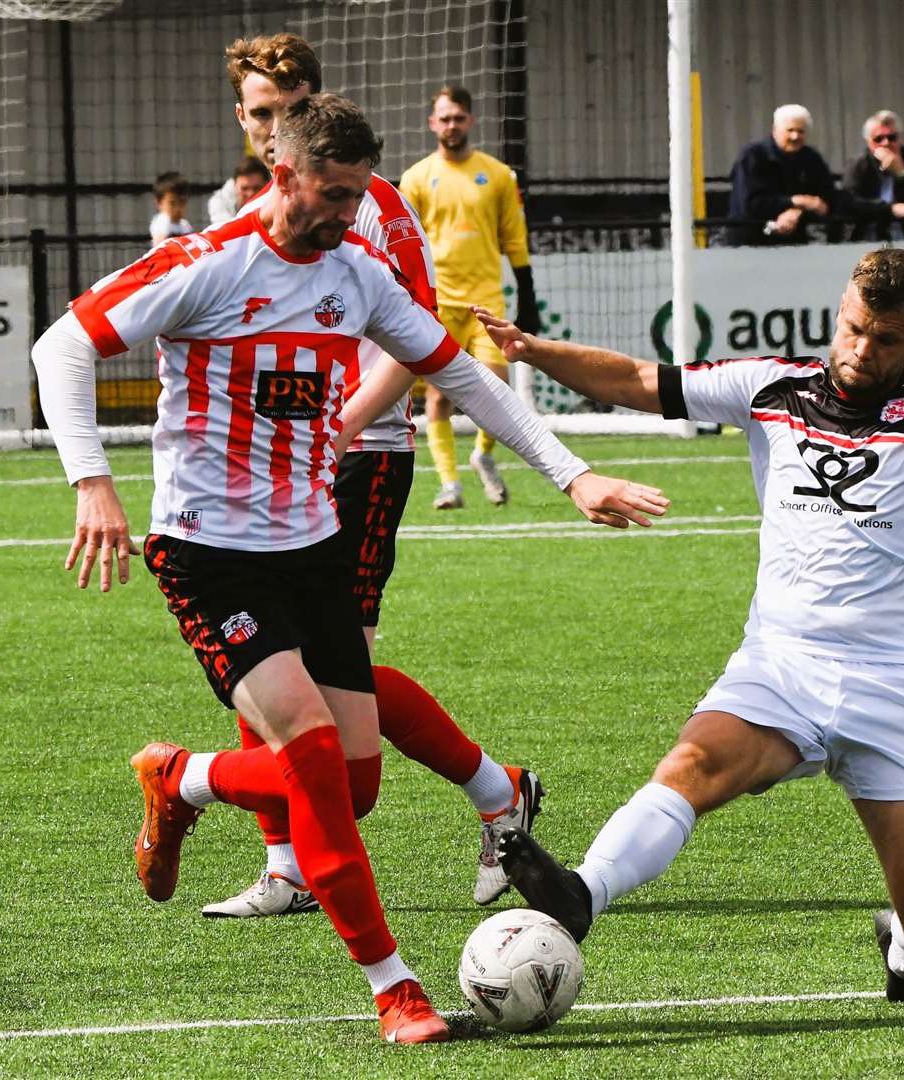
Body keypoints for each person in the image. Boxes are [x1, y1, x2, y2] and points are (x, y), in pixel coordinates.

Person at [31, 93, 664, 1042]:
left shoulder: (357, 271)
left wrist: (572, 476)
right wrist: (93, 482)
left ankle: (184, 777)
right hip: (207, 551)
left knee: (353, 787)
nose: (343, 214)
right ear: (280, 172)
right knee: (318, 760)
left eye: (354, 196)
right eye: (330, 194)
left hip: (311, 544)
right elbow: (63, 343)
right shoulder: (208, 263)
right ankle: (393, 988)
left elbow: (459, 373)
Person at [469, 247, 904, 1003]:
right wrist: (534, 350)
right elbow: (637, 382)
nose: (861, 350)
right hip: (783, 664)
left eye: (885, 339)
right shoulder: (770, 387)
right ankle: (582, 893)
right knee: (692, 766)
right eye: (853, 329)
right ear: (839, 313)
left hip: (901, 686)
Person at [207, 33, 641, 920]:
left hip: (361, 462)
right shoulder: (244, 213)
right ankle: (289, 861)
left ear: (314, 109)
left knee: (340, 673)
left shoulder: (368, 208)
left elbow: (421, 349)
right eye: (256, 112)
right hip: (277, 477)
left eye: (284, 109)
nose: (267, 126)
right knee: (267, 666)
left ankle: (493, 789)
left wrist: (342, 426)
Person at [398, 84, 542, 510]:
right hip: (438, 302)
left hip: (485, 299)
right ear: (432, 124)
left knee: (496, 387)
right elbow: (404, 242)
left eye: (458, 118)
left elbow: (513, 235)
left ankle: (482, 455)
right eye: (444, 118)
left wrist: (527, 289)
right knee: (439, 395)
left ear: (470, 121)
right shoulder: (417, 178)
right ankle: (449, 483)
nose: (451, 125)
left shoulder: (497, 175)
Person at [726, 104, 838, 247]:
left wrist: (797, 211)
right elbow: (750, 205)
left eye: (801, 131)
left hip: (794, 245)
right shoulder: (752, 157)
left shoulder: (811, 158)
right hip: (750, 245)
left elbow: (827, 199)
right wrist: (797, 201)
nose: (795, 136)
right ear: (775, 130)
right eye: (790, 130)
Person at [842, 110, 904, 242]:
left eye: (892, 137)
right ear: (868, 142)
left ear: (900, 138)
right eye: (878, 139)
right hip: (867, 233)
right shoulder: (857, 165)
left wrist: (902, 174)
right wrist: (891, 209)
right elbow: (850, 201)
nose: (886, 143)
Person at [207, 155, 270, 226]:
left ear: (267, 186)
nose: (250, 194)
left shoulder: (277, 199)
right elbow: (227, 231)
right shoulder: (219, 202)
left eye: (256, 188)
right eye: (244, 188)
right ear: (234, 186)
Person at [148, 171, 192, 245]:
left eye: (182, 202)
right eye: (172, 203)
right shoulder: (162, 221)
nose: (177, 208)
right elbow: (159, 246)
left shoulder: (185, 225)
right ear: (159, 203)